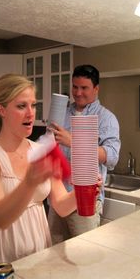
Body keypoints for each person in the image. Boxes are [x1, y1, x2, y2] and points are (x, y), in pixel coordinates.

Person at [0, 73, 100, 264]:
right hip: (1, 257)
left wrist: (84, 189)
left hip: (38, 253)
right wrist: (30, 182)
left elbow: (61, 206)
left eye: (33, 105)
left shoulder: (41, 150)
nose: (31, 113)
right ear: (1, 110)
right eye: (21, 106)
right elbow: (0, 218)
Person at [47, 64, 120, 244]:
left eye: (84, 88)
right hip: (57, 196)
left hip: (85, 200)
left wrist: (74, 142)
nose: (78, 93)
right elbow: (48, 146)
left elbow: (111, 156)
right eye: (75, 87)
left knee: (83, 254)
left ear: (96, 89)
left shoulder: (106, 118)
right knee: (53, 255)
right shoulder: (61, 113)